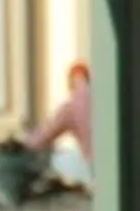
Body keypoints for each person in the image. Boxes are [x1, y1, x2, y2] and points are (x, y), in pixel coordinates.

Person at [26, 62, 93, 191]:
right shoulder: (103, 97)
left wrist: (26, 142)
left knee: (54, 158)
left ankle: (90, 182)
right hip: (114, 163)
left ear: (69, 83)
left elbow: (43, 137)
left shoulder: (71, 106)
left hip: (93, 167)